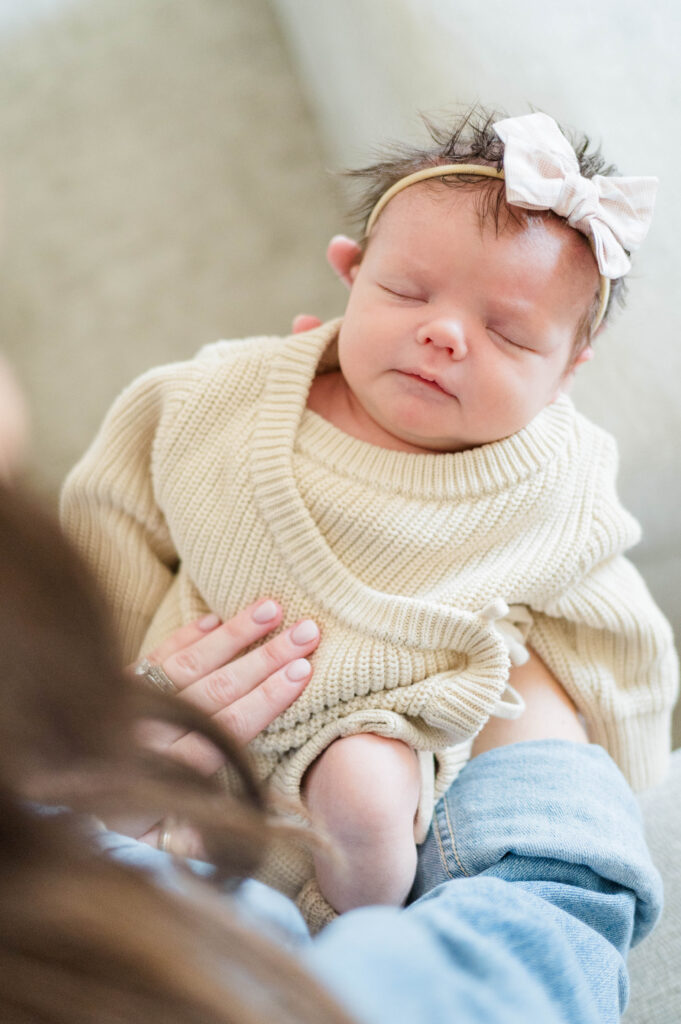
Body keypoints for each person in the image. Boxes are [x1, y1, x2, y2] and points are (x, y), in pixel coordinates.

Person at [60, 108, 679, 924]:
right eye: (406, 292)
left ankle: (351, 924)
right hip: (191, 723)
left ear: (567, 371)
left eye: (508, 334)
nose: (444, 333)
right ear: (349, 273)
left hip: (378, 734)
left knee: (364, 783)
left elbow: (614, 637)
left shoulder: (556, 482)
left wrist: (636, 780)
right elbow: (109, 520)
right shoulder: (216, 397)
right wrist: (99, 693)